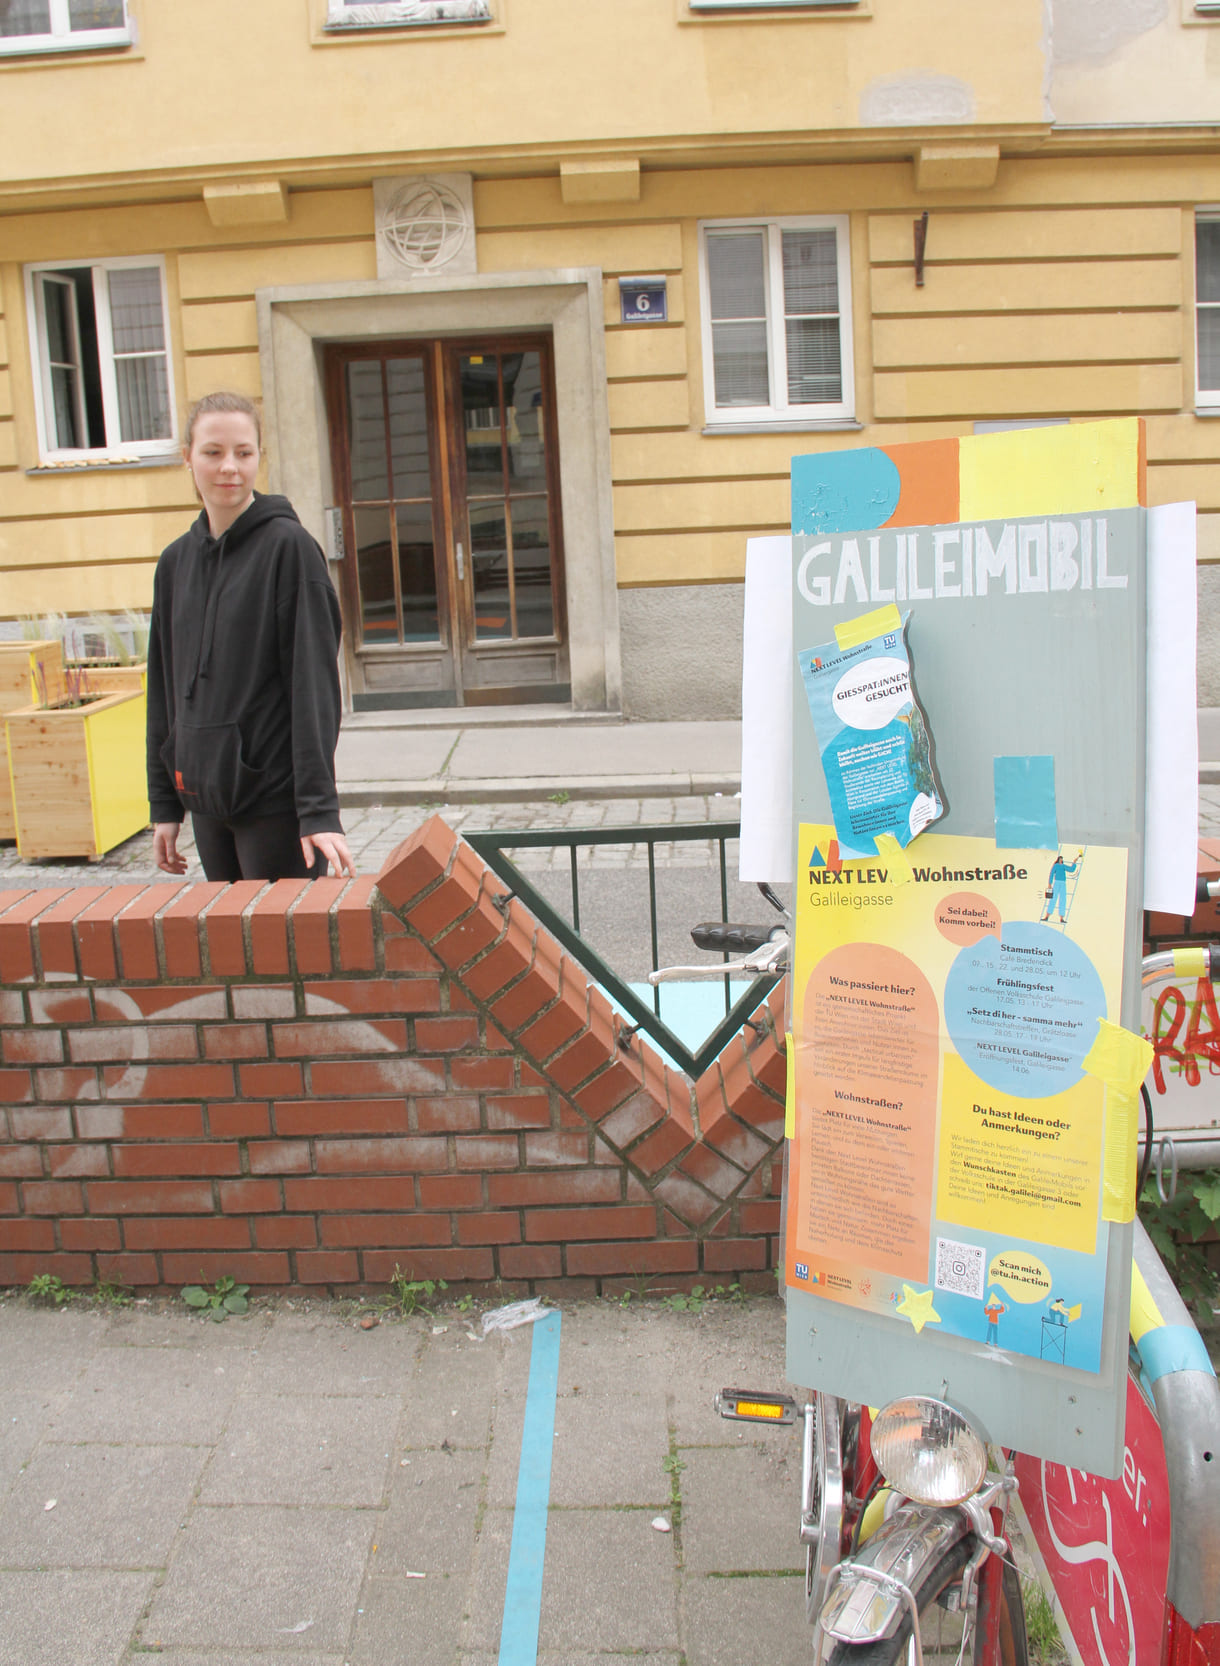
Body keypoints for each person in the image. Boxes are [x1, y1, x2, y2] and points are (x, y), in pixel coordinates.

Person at [147, 391, 355, 883]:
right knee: (230, 954)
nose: (230, 468)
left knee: (287, 955)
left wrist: (319, 811)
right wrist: (165, 805)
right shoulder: (175, 563)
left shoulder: (291, 551)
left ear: (260, 456)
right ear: (188, 458)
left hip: (274, 804)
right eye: (213, 452)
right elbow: (163, 687)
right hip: (205, 802)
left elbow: (314, 688)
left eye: (244, 452)